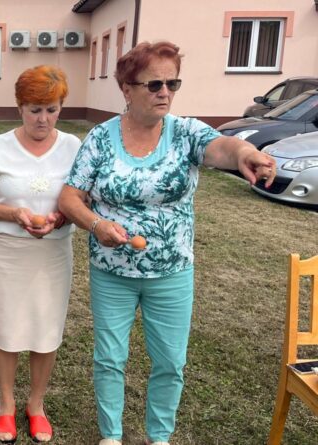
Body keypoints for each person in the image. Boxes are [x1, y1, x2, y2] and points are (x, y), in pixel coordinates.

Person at [57, 41, 277, 445]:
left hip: (172, 272)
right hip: (112, 272)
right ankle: (111, 435)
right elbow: (70, 198)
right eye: (154, 84)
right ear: (126, 88)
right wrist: (96, 224)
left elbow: (222, 147)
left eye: (172, 83)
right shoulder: (101, 138)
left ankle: (159, 437)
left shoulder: (186, 132)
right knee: (110, 358)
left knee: (171, 362)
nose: (165, 93)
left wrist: (246, 153)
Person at [0, 65, 79, 444]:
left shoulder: (74, 147)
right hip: (9, 253)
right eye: (34, 110)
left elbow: (84, 199)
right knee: (7, 327)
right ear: (20, 108)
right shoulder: (1, 146)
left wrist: (62, 217)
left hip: (53, 254)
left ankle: (36, 404)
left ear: (61, 108)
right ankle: (6, 403)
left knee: (47, 328)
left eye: (51, 109)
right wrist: (13, 213)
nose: (43, 118)